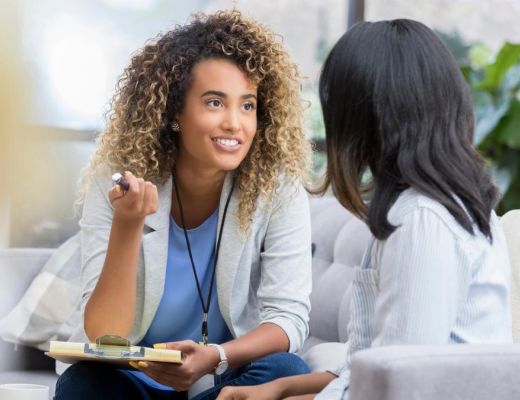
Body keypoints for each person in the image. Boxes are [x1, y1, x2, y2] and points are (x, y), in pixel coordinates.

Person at [217, 18, 512, 400]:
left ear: (363, 117)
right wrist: (279, 389)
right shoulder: (415, 210)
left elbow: (401, 388)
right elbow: (365, 371)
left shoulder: (424, 221)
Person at [54, 9, 313, 400]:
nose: (234, 123)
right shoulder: (121, 179)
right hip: (131, 379)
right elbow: (105, 334)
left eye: (247, 105)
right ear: (175, 111)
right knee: (83, 383)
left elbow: (288, 319)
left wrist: (215, 356)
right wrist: (128, 225)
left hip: (221, 383)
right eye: (214, 103)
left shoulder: (278, 188)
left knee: (285, 369)